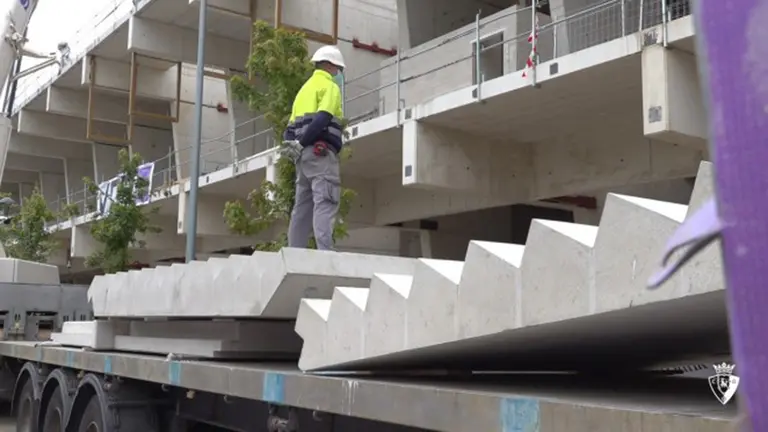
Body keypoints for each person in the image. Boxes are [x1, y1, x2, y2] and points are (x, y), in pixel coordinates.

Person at [284, 45, 346, 251]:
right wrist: (303, 143)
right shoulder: (329, 87)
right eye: (338, 69)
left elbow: (289, 130)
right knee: (325, 201)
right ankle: (325, 255)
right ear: (329, 65)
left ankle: (294, 253)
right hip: (321, 154)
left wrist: (296, 147)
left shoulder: (304, 90)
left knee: (302, 207)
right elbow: (323, 117)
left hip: (303, 158)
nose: (338, 74)